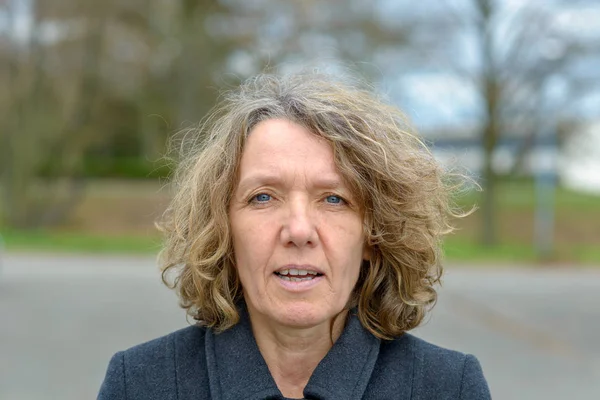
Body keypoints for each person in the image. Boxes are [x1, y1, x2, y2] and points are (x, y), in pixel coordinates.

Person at [98, 71, 491, 400]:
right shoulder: (139, 384)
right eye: (264, 196)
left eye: (334, 199)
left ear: (374, 235)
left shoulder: (448, 388)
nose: (299, 230)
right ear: (222, 230)